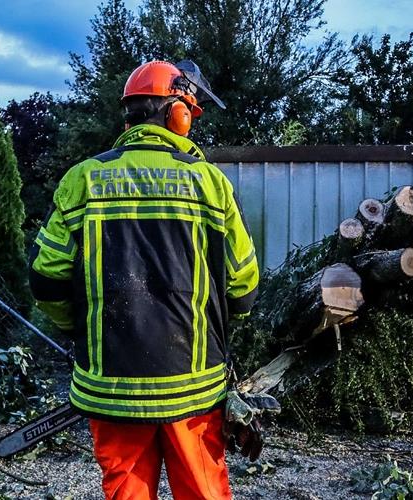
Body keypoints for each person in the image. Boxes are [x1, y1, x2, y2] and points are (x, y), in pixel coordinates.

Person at [29, 60, 259, 500]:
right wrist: (217, 330)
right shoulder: (209, 183)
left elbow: (47, 278)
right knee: (203, 489)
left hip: (109, 382)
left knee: (126, 490)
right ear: (179, 113)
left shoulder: (83, 180)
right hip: (192, 384)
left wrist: (76, 330)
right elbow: (243, 285)